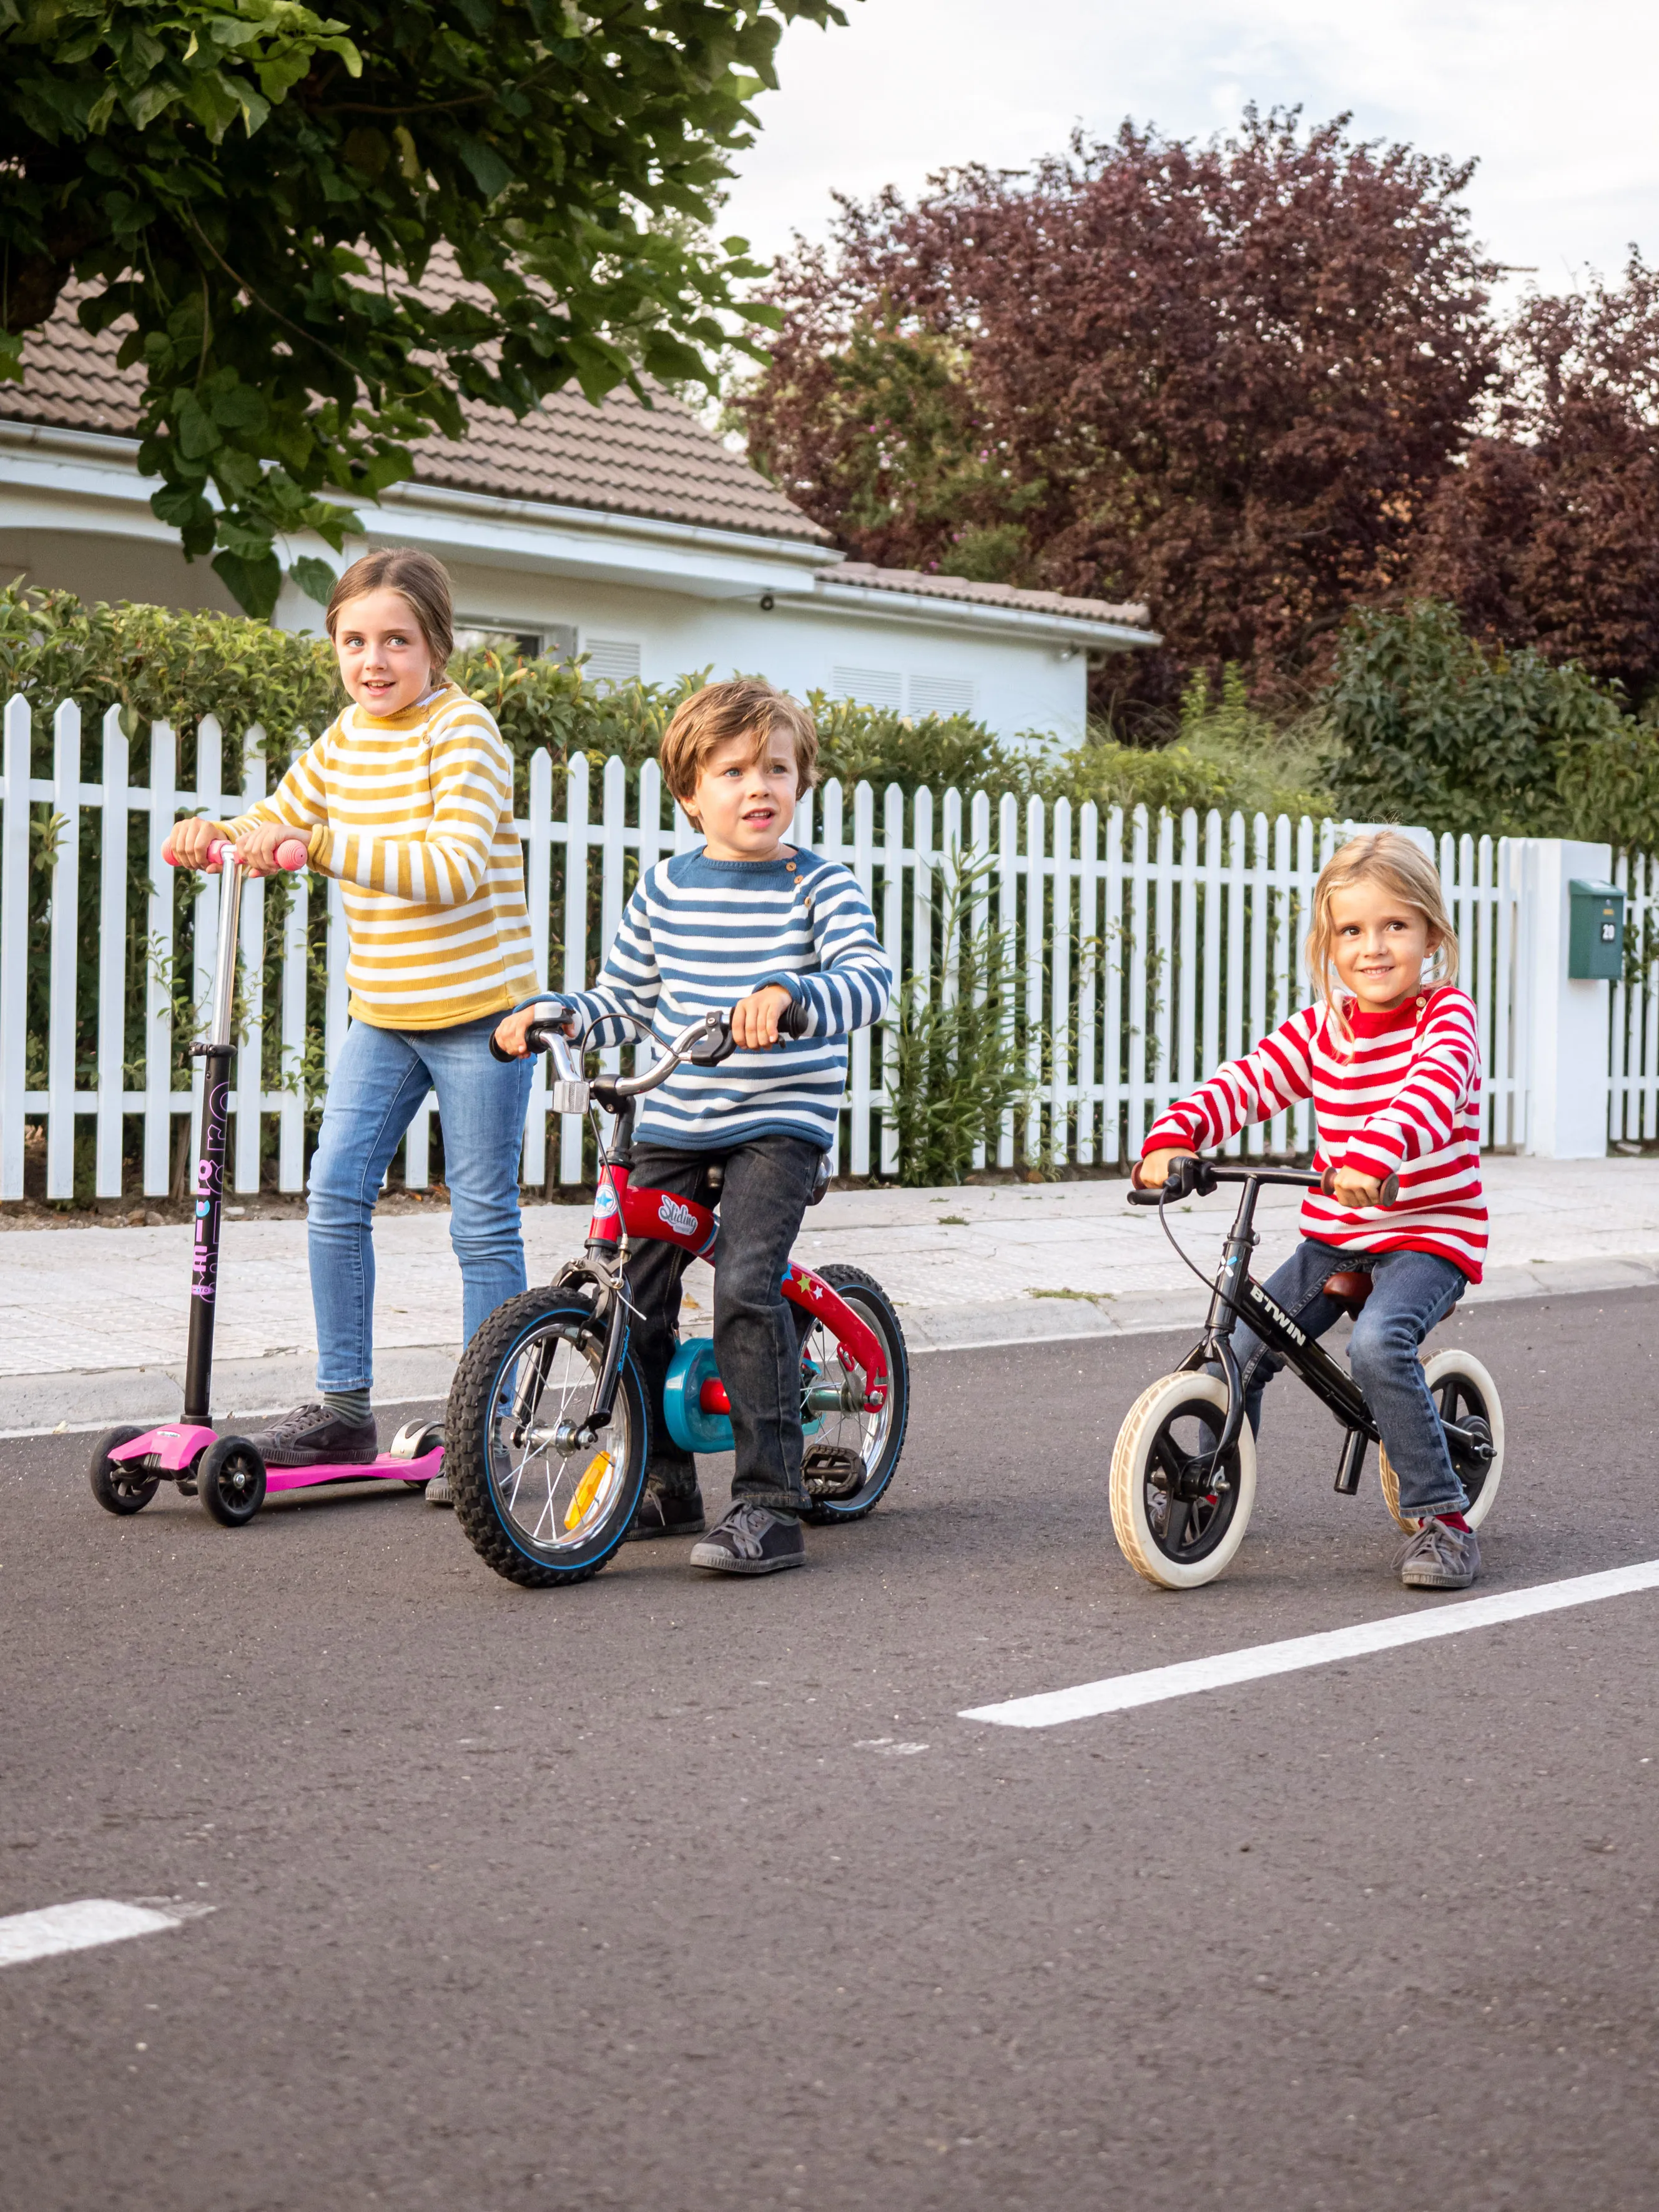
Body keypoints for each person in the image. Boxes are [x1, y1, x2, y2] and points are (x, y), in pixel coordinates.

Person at [493, 678, 893, 1576]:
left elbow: (869, 977)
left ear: (801, 783)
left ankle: (769, 1500)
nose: (759, 787)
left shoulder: (817, 884)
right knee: (634, 1293)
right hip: (675, 1113)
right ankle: (662, 1481)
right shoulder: (666, 888)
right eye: (734, 770)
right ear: (690, 791)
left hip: (776, 1122)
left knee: (748, 1283)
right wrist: (553, 1013)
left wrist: (792, 996)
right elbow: (623, 1001)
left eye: (777, 769)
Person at [166, 549, 538, 1498]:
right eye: (354, 640)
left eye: (396, 641)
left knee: (481, 1218)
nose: (373, 660)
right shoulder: (344, 738)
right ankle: (343, 1408)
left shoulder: (464, 735)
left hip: (479, 1013)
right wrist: (216, 830)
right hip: (385, 1009)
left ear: (437, 646)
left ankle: (487, 1426)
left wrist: (319, 846)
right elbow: (279, 816)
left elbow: (451, 865)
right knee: (335, 1192)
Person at [1136, 829, 1487, 1590]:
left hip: (1427, 1233)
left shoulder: (1444, 1018)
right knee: (1244, 1349)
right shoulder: (1323, 1026)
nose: (1373, 947)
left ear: (1430, 932)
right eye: (1351, 931)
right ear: (1328, 944)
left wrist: (1374, 1155)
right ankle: (1213, 1486)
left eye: (1394, 925)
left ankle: (1442, 1518)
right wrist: (1177, 1134)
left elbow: (1431, 1091)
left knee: (1377, 1348)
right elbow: (1251, 1079)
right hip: (1337, 1234)